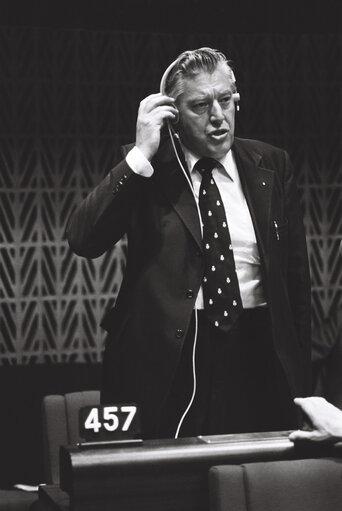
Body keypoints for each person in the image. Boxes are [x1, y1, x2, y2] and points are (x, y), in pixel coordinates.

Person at [66, 47, 311, 439]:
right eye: (200, 105)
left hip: (257, 344)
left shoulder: (272, 164)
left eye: (226, 101)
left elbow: (297, 281)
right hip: (173, 352)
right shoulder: (149, 167)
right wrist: (140, 155)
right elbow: (83, 239)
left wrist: (303, 380)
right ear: (173, 115)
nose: (218, 116)